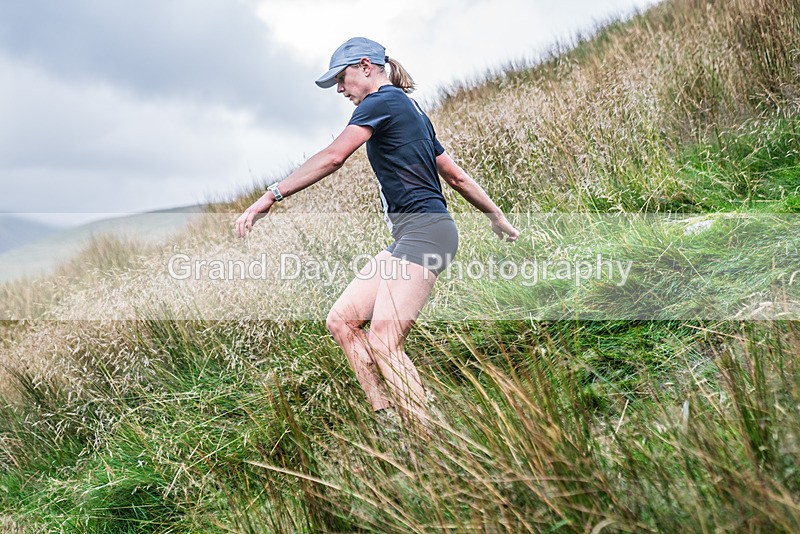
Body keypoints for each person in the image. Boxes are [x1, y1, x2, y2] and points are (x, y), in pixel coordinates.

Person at [236, 37, 519, 433]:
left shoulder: (381, 103)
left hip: (425, 232)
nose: (339, 89)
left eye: (342, 78)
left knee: (385, 340)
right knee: (342, 321)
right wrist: (496, 216)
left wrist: (271, 195)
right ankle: (387, 420)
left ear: (365, 66)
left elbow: (334, 156)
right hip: (417, 235)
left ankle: (429, 437)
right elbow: (455, 176)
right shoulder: (410, 109)